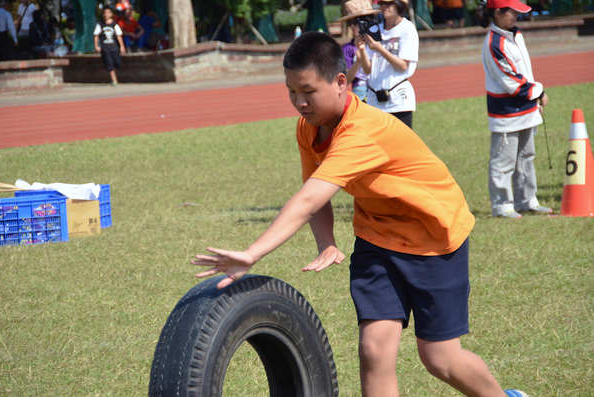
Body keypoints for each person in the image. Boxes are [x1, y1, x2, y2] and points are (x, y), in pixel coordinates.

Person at [192, 31, 531, 397]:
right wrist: (327, 243)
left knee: (440, 358)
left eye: (308, 91)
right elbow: (316, 193)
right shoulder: (310, 128)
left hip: (434, 239)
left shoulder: (361, 132)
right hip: (377, 239)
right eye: (291, 91)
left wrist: (252, 252)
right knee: (373, 349)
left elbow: (306, 200)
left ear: (341, 82)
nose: (299, 102)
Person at [477, 0, 552, 218]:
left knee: (526, 156)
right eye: (513, 12)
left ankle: (526, 200)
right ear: (498, 13)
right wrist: (538, 91)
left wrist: (535, 100)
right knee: (503, 160)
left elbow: (524, 73)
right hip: (506, 113)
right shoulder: (494, 43)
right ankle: (502, 205)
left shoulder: (515, 34)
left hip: (527, 109)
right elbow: (512, 82)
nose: (517, 16)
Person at [358, 0, 419, 129]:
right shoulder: (376, 29)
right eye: (381, 3)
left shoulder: (407, 28)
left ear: (399, 4)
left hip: (398, 99)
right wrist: (362, 49)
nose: (383, 6)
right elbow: (368, 69)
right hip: (374, 100)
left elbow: (403, 66)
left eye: (388, 3)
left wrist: (380, 49)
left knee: (401, 145)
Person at [338, 0, 379, 102]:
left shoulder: (380, 43)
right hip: (360, 91)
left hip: (380, 86)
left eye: (356, 22)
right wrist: (358, 61)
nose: (352, 26)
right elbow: (346, 80)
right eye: (350, 23)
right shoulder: (348, 48)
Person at [94, 6, 126, 85]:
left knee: (117, 63)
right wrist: (96, 46)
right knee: (109, 63)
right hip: (105, 48)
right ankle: (114, 79)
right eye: (105, 13)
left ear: (111, 14)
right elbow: (96, 35)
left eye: (108, 13)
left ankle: (113, 75)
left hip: (114, 47)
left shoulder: (114, 24)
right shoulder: (100, 24)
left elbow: (119, 35)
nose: (106, 15)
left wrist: (122, 46)